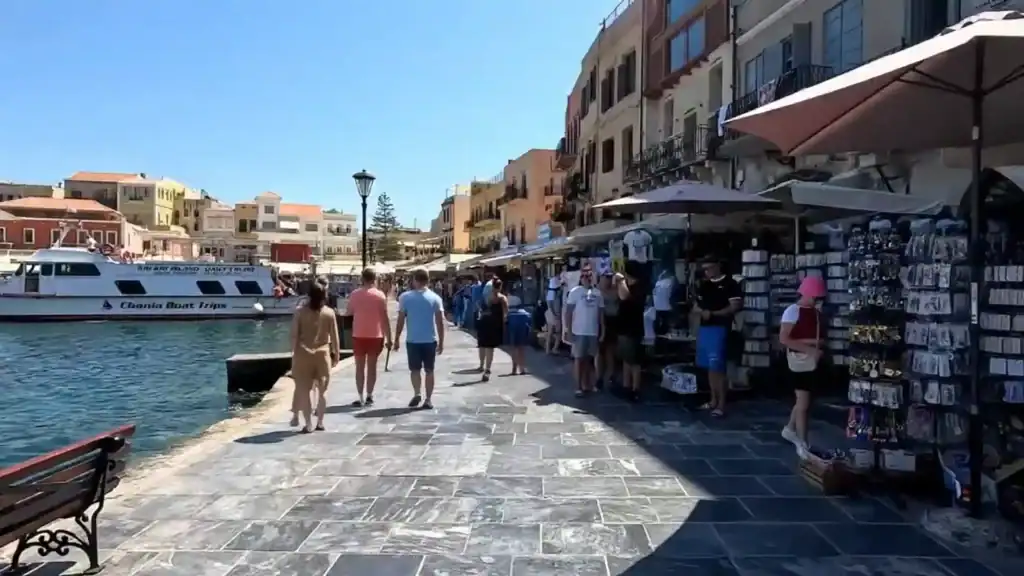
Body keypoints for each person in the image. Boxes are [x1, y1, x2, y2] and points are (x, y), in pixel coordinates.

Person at [779, 276, 826, 456]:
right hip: (799, 362)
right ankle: (802, 442)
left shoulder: (816, 312)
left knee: (803, 402)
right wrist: (810, 348)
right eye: (815, 297)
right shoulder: (793, 311)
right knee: (803, 403)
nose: (817, 300)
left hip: (812, 361)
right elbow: (784, 339)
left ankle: (791, 429)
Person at [692, 257, 742, 417]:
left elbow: (735, 306)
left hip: (720, 328)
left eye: (710, 268)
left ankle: (721, 404)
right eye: (705, 269)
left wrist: (713, 314)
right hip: (705, 329)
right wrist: (703, 313)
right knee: (709, 367)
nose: (707, 272)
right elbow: (696, 307)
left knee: (718, 367)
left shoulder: (730, 284)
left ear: (718, 266)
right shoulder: (704, 285)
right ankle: (713, 399)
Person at [289, 282, 341, 432]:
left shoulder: (300, 312)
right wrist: (336, 354)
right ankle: (320, 422)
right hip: (323, 353)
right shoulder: (329, 313)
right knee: (323, 391)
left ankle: (308, 424)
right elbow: (335, 337)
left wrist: (293, 354)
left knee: (304, 390)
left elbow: (294, 335)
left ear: (309, 295)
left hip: (303, 353)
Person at [394, 268, 445, 409]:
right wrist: (442, 341)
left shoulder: (405, 297)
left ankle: (417, 393)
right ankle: (428, 399)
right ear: (427, 280)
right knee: (429, 370)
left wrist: (396, 338)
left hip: (413, 340)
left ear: (415, 280)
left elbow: (400, 320)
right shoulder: (436, 298)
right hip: (430, 340)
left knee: (415, 370)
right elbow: (440, 322)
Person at [345, 267, 392, 407]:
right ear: (375, 279)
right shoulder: (380, 296)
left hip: (358, 334)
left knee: (359, 368)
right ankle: (370, 396)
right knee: (372, 367)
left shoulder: (354, 294)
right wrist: (390, 338)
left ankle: (360, 397)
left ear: (362, 278)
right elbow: (385, 319)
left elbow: (348, 313)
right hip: (375, 335)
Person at [565, 266, 604, 397]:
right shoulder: (574, 292)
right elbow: (568, 313)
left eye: (589, 276)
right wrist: (568, 330)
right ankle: (578, 386)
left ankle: (588, 384)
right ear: (580, 278)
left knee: (590, 360)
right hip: (579, 331)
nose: (587, 279)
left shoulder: (598, 293)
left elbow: (600, 314)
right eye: (584, 276)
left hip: (593, 331)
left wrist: (602, 330)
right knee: (578, 359)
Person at [616, 262, 648, 402]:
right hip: (623, 327)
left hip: (633, 328)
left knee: (634, 360)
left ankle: (635, 389)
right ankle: (626, 386)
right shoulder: (628, 286)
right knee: (626, 359)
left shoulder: (638, 288)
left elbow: (624, 296)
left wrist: (621, 281)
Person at [476, 278, 507, 381]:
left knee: (482, 345)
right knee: (490, 348)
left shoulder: (488, 297)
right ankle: (488, 368)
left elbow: (483, 308)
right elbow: (505, 314)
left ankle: (481, 365)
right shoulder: (502, 298)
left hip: (485, 322)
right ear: (500, 287)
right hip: (495, 324)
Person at [598, 272, 620, 390]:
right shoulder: (596, 291)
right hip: (600, 322)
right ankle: (599, 377)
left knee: (610, 351)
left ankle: (611, 375)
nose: (607, 280)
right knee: (600, 352)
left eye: (609, 278)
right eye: (605, 277)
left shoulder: (615, 290)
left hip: (613, 321)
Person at [507, 296, 532, 375]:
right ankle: (522, 369)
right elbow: (529, 322)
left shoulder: (509, 314)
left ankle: (514, 368)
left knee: (513, 349)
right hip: (522, 330)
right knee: (521, 349)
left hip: (512, 329)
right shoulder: (525, 313)